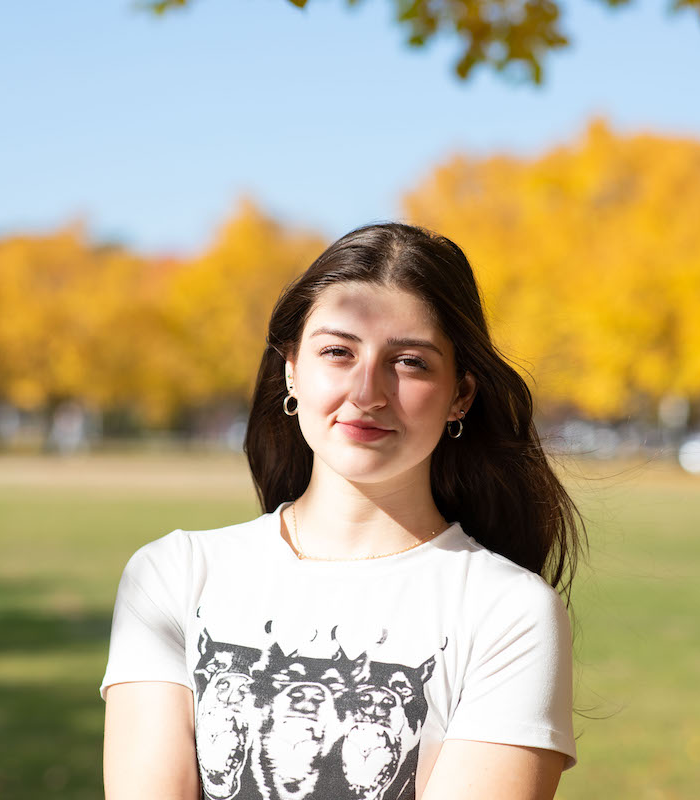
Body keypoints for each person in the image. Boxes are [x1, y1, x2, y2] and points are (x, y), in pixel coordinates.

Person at [101, 222, 587, 800]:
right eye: (338, 352)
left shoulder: (509, 613)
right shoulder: (173, 575)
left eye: (409, 362)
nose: (366, 392)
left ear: (460, 395)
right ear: (291, 368)